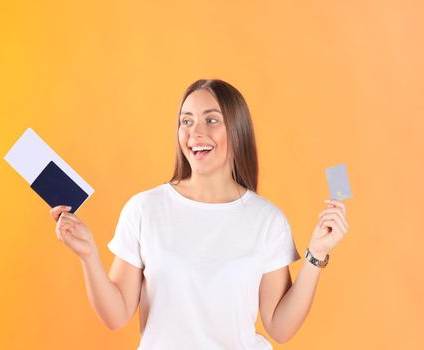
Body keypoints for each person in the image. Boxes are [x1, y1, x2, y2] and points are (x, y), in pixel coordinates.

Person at [49, 79, 350, 349]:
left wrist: (316, 254)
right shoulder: (145, 209)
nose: (196, 132)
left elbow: (280, 328)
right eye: (186, 121)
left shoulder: (266, 220)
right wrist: (88, 255)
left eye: (211, 120)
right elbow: (116, 316)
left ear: (237, 130)